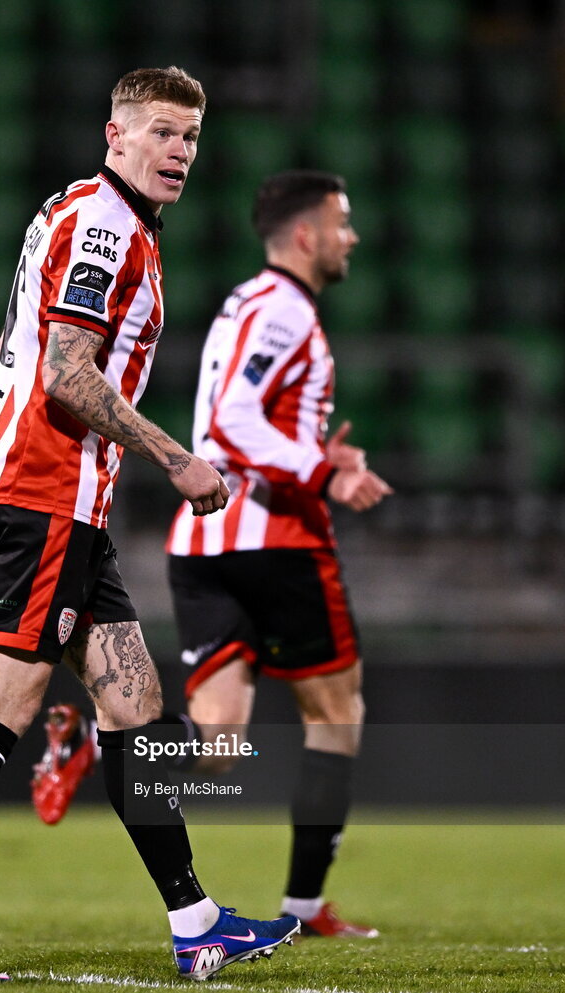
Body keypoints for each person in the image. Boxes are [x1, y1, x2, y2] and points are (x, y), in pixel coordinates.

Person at [0, 66, 299, 985]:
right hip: (45, 490)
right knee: (3, 700)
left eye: (189, 136)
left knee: (136, 708)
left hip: (69, 498)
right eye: (158, 131)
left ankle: (195, 923)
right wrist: (175, 457)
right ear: (114, 135)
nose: (177, 151)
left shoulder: (82, 216)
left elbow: (18, 343)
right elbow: (67, 373)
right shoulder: (106, 226)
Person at [36, 170, 391, 940]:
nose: (350, 238)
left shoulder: (244, 304)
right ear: (305, 235)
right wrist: (321, 470)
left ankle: (100, 747)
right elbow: (232, 421)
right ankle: (303, 910)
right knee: (337, 716)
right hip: (274, 540)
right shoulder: (284, 311)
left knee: (220, 740)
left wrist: (307, 450)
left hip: (202, 543)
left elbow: (241, 412)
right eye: (342, 223)